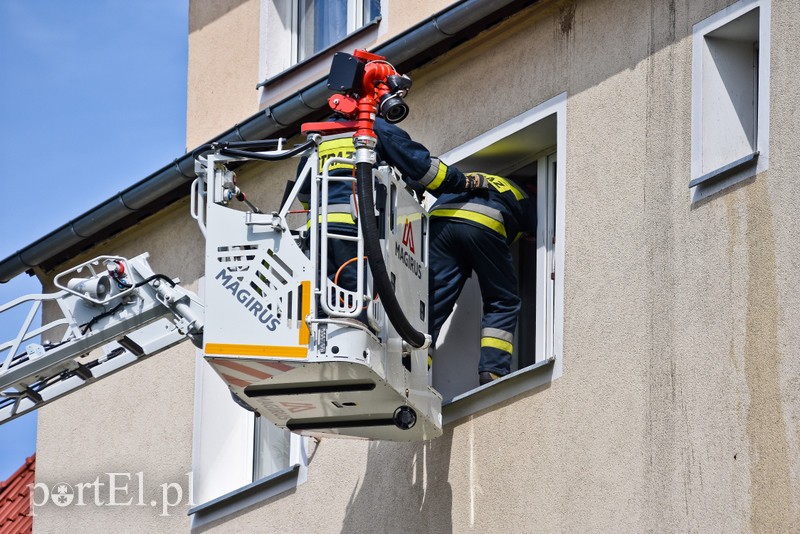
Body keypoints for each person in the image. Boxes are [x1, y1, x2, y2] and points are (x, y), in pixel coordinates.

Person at [372, 121, 536, 386]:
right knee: (502, 300)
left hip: (439, 221)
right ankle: (493, 370)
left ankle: (411, 372)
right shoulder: (527, 197)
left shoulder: (488, 179)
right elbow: (537, 233)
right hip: (484, 222)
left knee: (430, 304)